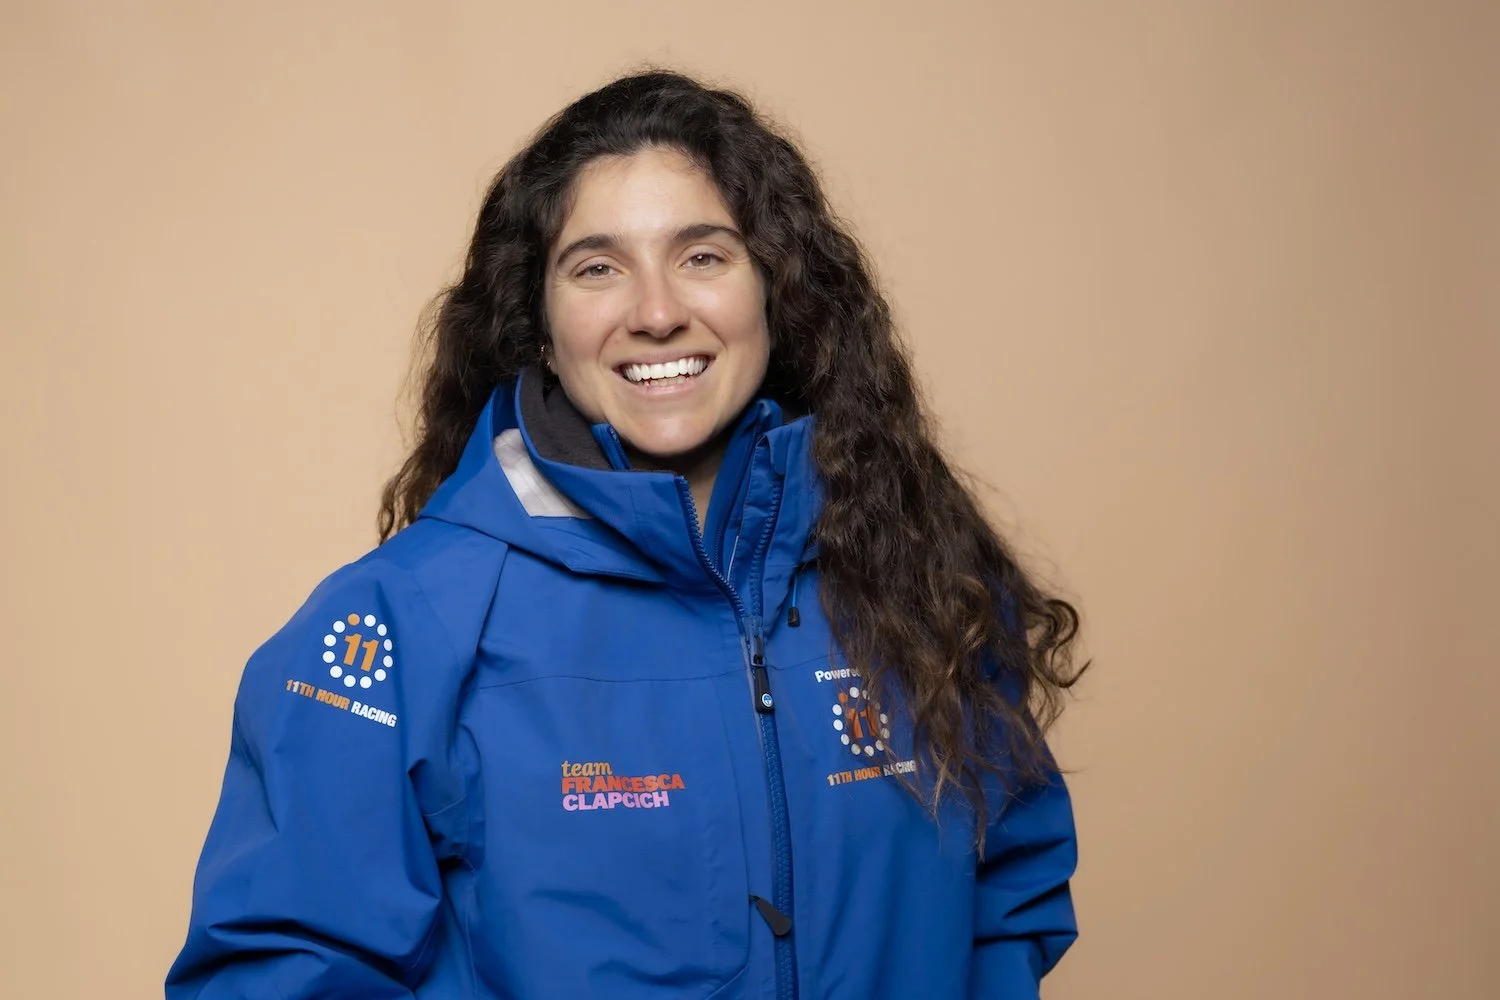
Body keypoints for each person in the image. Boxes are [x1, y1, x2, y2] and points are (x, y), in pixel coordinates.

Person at [166, 70, 1086, 1000]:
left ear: (778, 287)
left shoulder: (918, 571)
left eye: (703, 256)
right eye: (598, 267)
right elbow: (276, 972)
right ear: (538, 317)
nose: (655, 311)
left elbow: (1009, 891)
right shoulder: (403, 621)